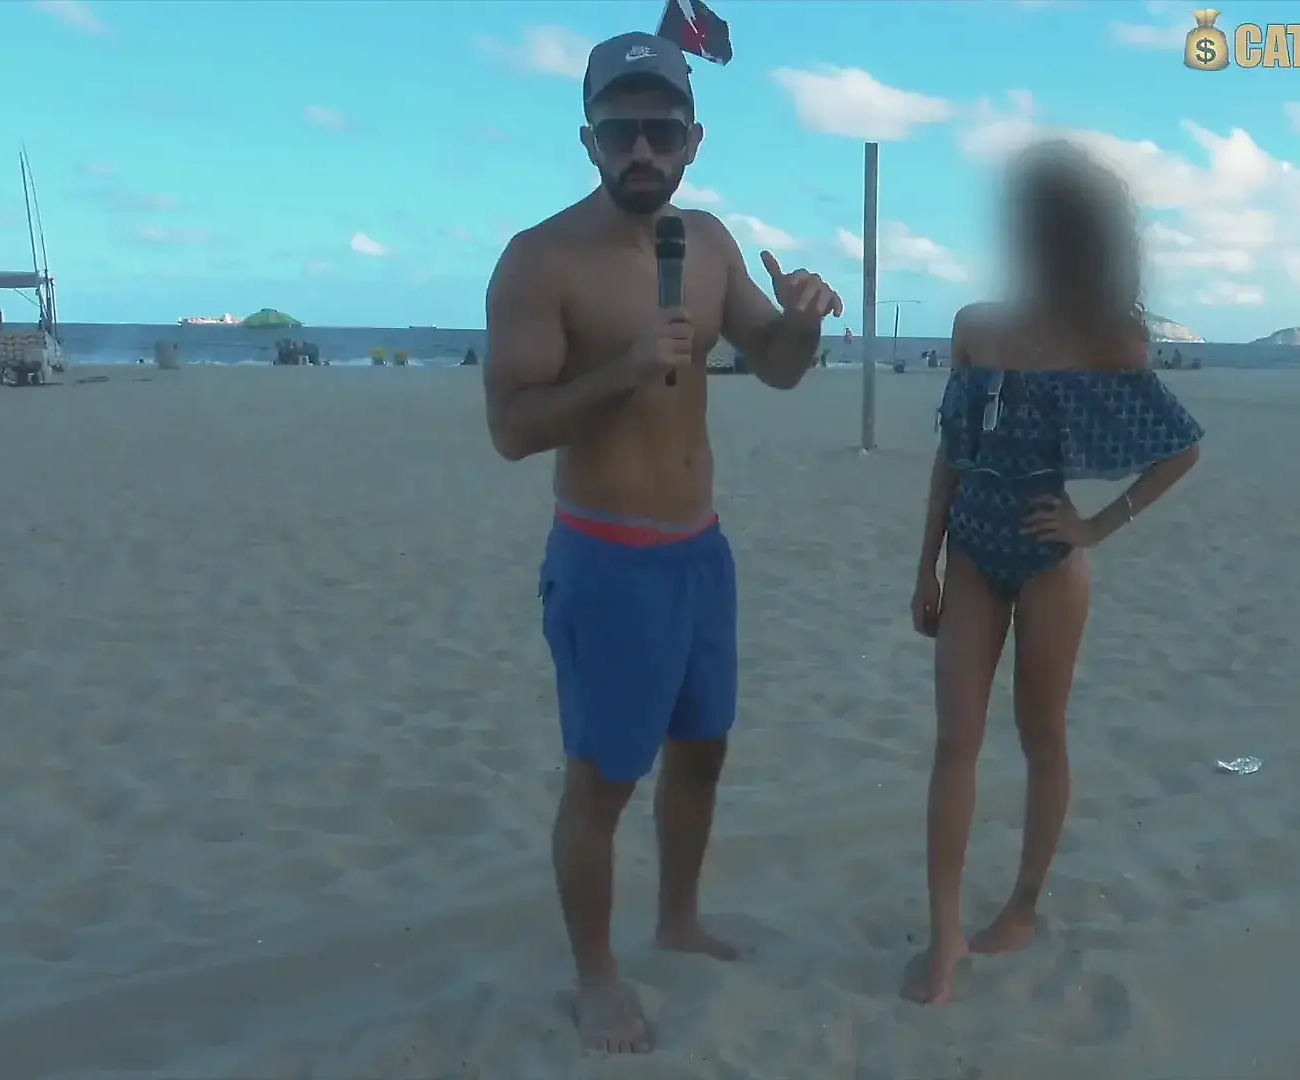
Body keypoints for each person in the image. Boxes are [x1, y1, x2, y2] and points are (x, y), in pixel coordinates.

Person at [482, 31, 842, 1054]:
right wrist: (624, 371)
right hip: (607, 558)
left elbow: (777, 364)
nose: (641, 149)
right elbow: (511, 428)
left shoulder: (712, 243)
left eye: (661, 130)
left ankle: (678, 919)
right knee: (602, 779)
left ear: (693, 140)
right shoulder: (541, 260)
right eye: (620, 131)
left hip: (700, 551)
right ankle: (597, 975)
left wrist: (804, 319)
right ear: (588, 140)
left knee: (702, 751)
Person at [904, 140, 1204, 1005]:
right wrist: (926, 564)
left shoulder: (1111, 341)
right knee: (955, 742)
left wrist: (1096, 526)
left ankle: (1023, 907)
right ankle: (945, 933)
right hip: (972, 552)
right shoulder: (976, 325)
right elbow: (952, 452)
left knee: (1041, 736)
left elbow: (1180, 450)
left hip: (1050, 560)